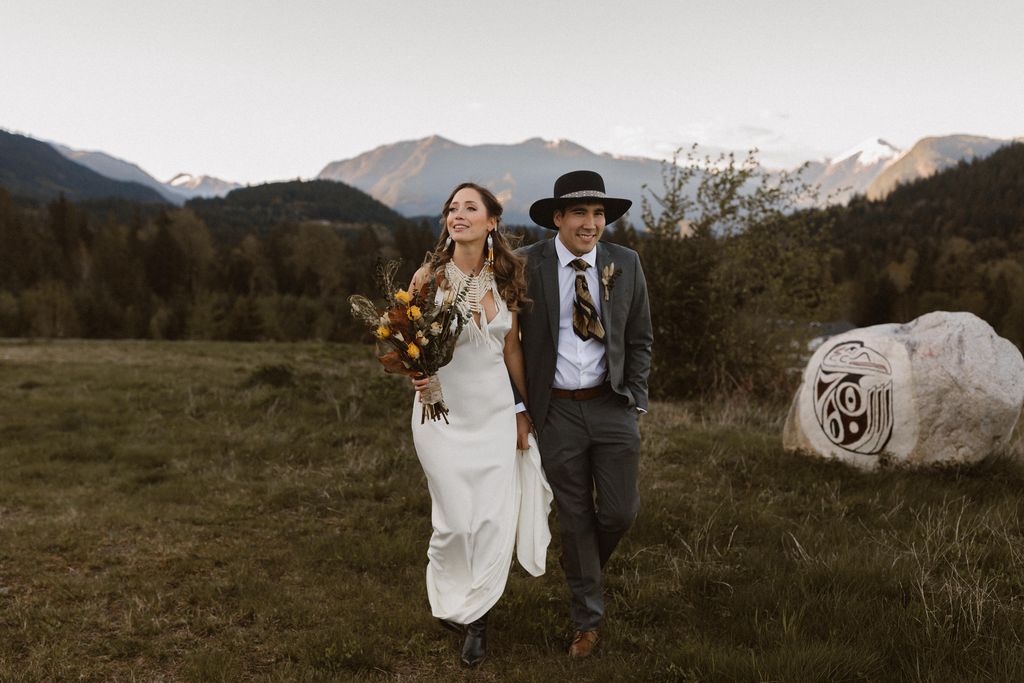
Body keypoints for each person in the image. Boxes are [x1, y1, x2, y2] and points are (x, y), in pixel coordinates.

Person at [408, 182, 552, 668]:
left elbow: (510, 349)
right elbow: (399, 341)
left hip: (492, 413)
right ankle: (451, 593)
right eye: (452, 208)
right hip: (441, 414)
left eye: (470, 208)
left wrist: (524, 412)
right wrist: (414, 370)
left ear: (492, 221)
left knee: (491, 519)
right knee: (454, 519)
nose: (458, 215)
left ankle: (478, 619)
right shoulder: (428, 278)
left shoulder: (506, 278)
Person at [518, 170, 653, 658]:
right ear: (557, 219)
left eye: (598, 214)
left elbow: (640, 336)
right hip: (554, 412)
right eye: (579, 213)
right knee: (574, 519)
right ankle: (587, 620)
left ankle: (583, 569)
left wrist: (635, 394)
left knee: (620, 511)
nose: (590, 224)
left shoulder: (626, 263)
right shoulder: (525, 265)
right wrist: (523, 408)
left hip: (612, 404)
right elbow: (508, 343)